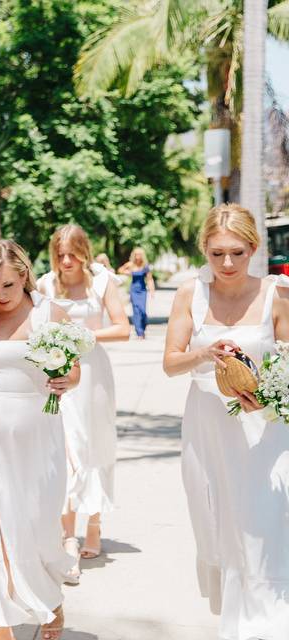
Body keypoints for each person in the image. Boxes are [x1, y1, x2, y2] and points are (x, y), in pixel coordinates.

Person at [163, 204, 289, 640]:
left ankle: (264, 625)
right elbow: (170, 364)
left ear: (253, 248)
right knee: (218, 521)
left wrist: (268, 397)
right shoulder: (189, 295)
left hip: (265, 427)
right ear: (205, 250)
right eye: (217, 254)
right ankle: (237, 617)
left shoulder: (277, 294)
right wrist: (204, 353)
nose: (228, 264)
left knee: (264, 519)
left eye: (237, 252)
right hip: (207, 426)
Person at [0, 240, 78, 640]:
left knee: (38, 528)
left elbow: (73, 374)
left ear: (23, 275)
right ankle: (2, 626)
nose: (0, 297)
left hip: (38, 437)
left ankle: (47, 597)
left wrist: (65, 379)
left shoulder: (49, 314)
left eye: (7, 285)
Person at [37, 224, 130, 583]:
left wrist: (84, 335)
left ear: (84, 252)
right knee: (67, 450)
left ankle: (95, 522)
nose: (65, 261)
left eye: (72, 254)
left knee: (94, 446)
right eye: (59, 255)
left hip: (94, 376)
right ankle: (67, 537)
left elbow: (122, 328)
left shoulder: (102, 283)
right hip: (61, 375)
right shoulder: (46, 284)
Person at [119, 247, 155, 338]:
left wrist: (152, 291)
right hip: (133, 290)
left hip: (142, 290)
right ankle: (139, 332)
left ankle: (143, 327)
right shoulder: (131, 265)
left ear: (142, 256)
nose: (137, 256)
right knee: (136, 311)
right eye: (136, 254)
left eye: (139, 254)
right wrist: (127, 272)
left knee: (142, 311)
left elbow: (150, 279)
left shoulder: (145, 266)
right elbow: (120, 270)